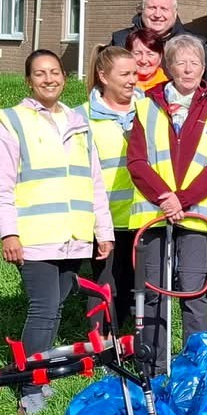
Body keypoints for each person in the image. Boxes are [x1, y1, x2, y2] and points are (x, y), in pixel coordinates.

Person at [0, 48, 114, 415]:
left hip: (73, 236)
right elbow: (1, 187)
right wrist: (8, 234)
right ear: (29, 80)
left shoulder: (77, 121)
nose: (49, 79)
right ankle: (28, 385)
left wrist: (101, 231)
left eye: (55, 72)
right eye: (40, 73)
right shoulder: (11, 124)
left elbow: (94, 183)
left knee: (55, 308)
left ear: (64, 76)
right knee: (43, 308)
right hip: (34, 238)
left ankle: (35, 371)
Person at [127, 34, 207, 367]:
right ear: (169, 66)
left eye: (195, 63)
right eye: (181, 62)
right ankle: (154, 367)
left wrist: (183, 200)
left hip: (197, 218)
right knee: (153, 295)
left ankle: (195, 369)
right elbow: (138, 161)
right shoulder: (145, 107)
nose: (188, 69)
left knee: (193, 294)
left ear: (204, 68)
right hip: (154, 216)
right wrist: (164, 198)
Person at [83, 44, 142, 331]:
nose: (133, 79)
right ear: (103, 76)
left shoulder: (150, 110)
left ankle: (135, 348)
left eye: (135, 73)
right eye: (125, 74)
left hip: (144, 218)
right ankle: (101, 350)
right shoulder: (82, 117)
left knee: (139, 292)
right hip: (105, 221)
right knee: (105, 289)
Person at [107, 0, 207, 101]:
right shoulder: (121, 42)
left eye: (164, 9)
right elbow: (102, 83)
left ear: (175, 12)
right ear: (142, 10)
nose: (157, 14)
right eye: (152, 8)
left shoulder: (195, 45)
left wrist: (199, 116)